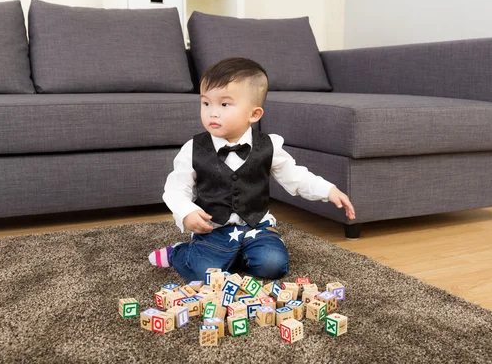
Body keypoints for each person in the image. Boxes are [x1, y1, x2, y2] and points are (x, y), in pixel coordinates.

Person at [149, 57, 356, 282]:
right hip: (214, 228)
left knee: (273, 266)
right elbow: (176, 188)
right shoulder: (193, 149)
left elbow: (295, 176)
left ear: (254, 114)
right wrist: (186, 212)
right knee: (201, 273)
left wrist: (328, 190)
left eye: (224, 104)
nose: (212, 113)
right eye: (206, 103)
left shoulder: (269, 146)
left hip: (257, 225)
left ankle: (242, 253)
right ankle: (179, 252)